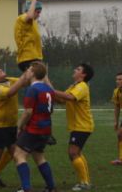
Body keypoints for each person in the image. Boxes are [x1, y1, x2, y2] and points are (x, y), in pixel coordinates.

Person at [47, 63, 94, 191]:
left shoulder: (82, 86)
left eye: (78, 69)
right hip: (78, 126)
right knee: (76, 153)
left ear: (83, 75)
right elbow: (62, 99)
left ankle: (84, 183)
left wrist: (50, 88)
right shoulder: (74, 86)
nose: (75, 70)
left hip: (82, 125)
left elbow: (70, 97)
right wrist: (48, 88)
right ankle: (85, 181)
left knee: (73, 153)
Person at [0, 66, 30, 190]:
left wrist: (30, 69)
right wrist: (23, 77)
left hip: (11, 125)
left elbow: (25, 82)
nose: (0, 70)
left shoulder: (10, 80)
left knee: (13, 153)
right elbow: (11, 92)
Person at [13, 61, 56, 192]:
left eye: (29, 70)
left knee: (19, 155)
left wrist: (19, 126)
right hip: (45, 128)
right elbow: (50, 110)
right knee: (39, 157)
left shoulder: (32, 89)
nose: (26, 72)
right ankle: (51, 187)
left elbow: (28, 111)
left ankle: (26, 188)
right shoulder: (49, 90)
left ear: (32, 74)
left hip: (34, 128)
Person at [14, 0, 44, 72]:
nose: (39, 14)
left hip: (35, 58)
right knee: (37, 82)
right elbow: (30, 15)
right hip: (27, 58)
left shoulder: (33, 23)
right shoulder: (22, 18)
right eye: (37, 12)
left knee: (41, 83)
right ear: (31, 9)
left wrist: (35, 0)